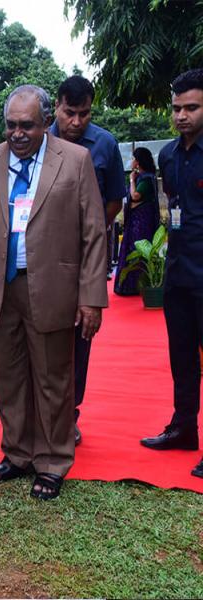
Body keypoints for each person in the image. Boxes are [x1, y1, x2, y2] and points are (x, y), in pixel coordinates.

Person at [0, 85, 107, 501]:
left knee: (53, 379)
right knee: (10, 376)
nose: (16, 134)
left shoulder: (74, 161)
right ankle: (18, 453)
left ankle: (54, 460)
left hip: (53, 288)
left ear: (45, 123)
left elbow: (95, 234)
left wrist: (91, 297)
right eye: (10, 125)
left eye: (26, 125)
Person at [50, 76, 126, 445]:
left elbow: (115, 198)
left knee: (81, 335)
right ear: (56, 108)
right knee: (43, 335)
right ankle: (43, 414)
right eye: (69, 113)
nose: (76, 122)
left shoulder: (106, 144)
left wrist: (92, 229)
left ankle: (70, 415)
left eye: (84, 114)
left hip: (85, 258)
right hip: (42, 256)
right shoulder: (38, 140)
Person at [140, 69, 203, 478]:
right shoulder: (167, 155)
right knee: (181, 357)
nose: (181, 115)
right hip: (178, 274)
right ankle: (183, 428)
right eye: (177, 108)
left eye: (192, 107)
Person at [114, 147, 161, 296]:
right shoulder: (145, 176)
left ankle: (133, 285)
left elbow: (135, 196)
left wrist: (132, 180)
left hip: (140, 220)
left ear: (139, 162)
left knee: (135, 248)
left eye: (134, 158)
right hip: (137, 218)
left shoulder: (146, 178)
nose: (132, 161)